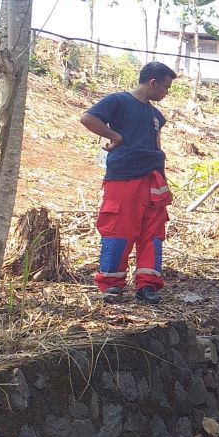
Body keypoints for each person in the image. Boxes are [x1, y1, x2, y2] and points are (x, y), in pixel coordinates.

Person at [80, 61, 176, 304]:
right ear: (152, 82)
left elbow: (157, 144)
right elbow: (88, 118)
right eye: (165, 87)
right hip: (123, 178)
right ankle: (112, 283)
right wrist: (114, 136)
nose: (166, 93)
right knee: (118, 228)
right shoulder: (118, 101)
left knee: (153, 232)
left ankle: (147, 285)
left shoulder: (156, 115)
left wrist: (162, 180)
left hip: (153, 178)